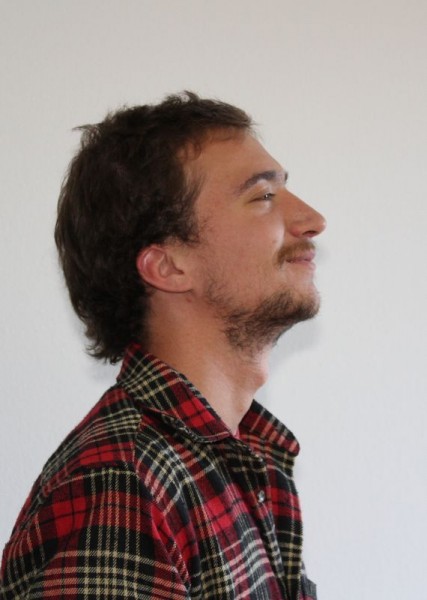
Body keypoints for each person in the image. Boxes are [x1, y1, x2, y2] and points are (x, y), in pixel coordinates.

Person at [1, 92, 325, 599]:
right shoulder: (121, 485)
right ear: (169, 266)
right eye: (263, 196)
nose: (313, 219)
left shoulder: (241, 456)